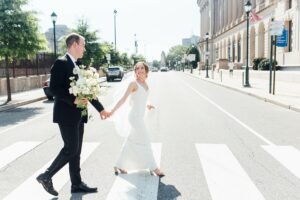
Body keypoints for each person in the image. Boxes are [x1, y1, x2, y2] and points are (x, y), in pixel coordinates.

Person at [36, 33, 110, 196]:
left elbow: (88, 90)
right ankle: (46, 175)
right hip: (66, 114)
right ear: (74, 45)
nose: (84, 48)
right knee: (71, 148)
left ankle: (76, 184)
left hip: (79, 115)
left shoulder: (79, 64)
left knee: (77, 150)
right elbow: (53, 88)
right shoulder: (61, 63)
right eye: (83, 45)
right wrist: (73, 100)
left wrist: (101, 109)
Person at [109, 61, 165, 177]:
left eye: (141, 68)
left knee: (131, 141)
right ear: (135, 72)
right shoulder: (133, 84)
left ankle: (119, 164)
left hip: (139, 116)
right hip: (134, 118)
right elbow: (123, 100)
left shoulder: (145, 83)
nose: (139, 70)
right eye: (137, 68)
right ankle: (154, 167)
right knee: (145, 140)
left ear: (146, 70)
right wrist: (112, 111)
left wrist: (147, 105)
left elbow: (141, 98)